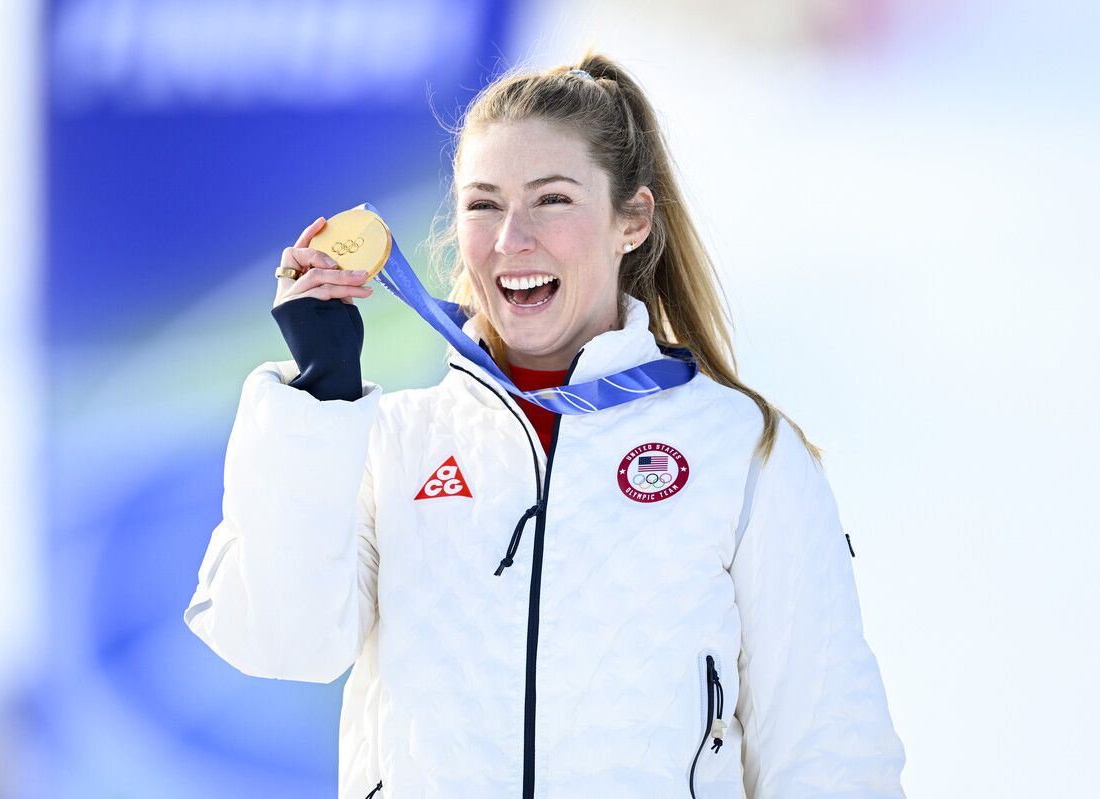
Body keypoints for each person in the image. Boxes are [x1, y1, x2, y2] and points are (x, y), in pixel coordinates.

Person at [184, 51, 907, 799]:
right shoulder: (394, 443)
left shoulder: (739, 449)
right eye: (483, 204)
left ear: (633, 220)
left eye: (552, 199)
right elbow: (281, 642)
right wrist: (319, 394)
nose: (511, 239)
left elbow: (831, 756)